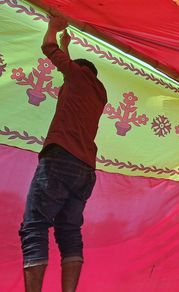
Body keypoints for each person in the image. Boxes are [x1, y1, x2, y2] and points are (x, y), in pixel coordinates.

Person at [19, 15, 107, 292]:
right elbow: (72, 72)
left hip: (60, 159)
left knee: (35, 226)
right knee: (69, 231)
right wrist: (67, 46)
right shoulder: (98, 93)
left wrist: (53, 29)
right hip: (85, 169)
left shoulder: (76, 76)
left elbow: (48, 47)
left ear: (78, 70)